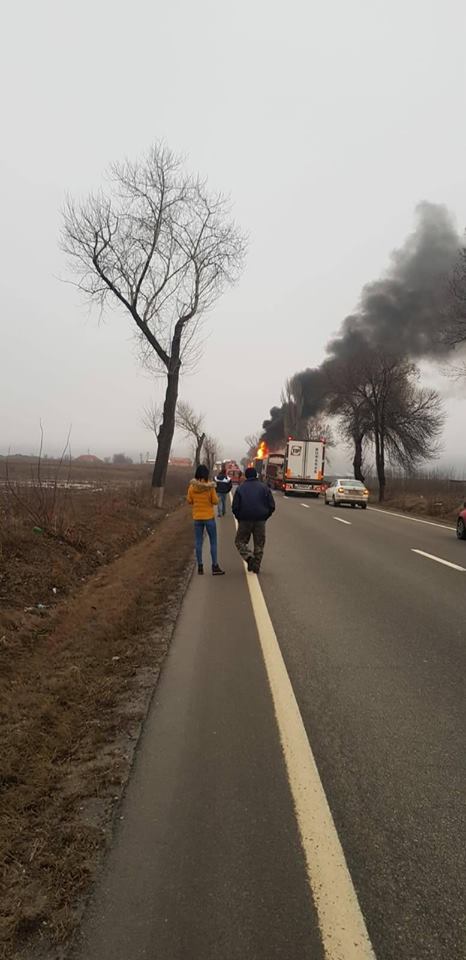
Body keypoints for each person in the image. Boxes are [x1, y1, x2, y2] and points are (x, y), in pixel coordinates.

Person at [232, 467, 275, 573]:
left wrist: (239, 517)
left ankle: (249, 557)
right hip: (260, 520)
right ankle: (256, 565)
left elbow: (235, 507)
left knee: (239, 541)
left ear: (246, 476)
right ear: (256, 475)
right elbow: (272, 506)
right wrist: (265, 516)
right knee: (259, 544)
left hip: (245, 520)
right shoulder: (264, 488)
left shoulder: (241, 488)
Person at [187, 465, 225, 576]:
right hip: (209, 517)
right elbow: (215, 501)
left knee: (198, 542)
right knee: (213, 542)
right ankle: (214, 566)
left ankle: (200, 566)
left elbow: (189, 500)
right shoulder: (210, 487)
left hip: (197, 517)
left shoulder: (192, 487)